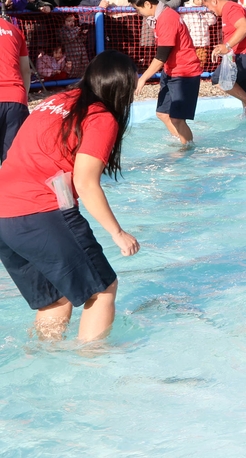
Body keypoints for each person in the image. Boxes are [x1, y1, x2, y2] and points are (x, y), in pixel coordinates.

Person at [0, 51, 141, 342]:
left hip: (4, 216)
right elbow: (85, 182)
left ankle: (44, 363)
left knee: (56, 299)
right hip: (40, 212)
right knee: (102, 290)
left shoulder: (54, 101)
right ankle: (91, 367)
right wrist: (117, 232)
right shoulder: (100, 116)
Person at [130, 0, 203, 145]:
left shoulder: (167, 18)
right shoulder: (160, 16)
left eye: (138, 9)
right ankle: (183, 141)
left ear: (148, 4)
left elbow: (161, 56)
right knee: (163, 114)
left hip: (184, 73)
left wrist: (143, 79)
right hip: (171, 71)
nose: (138, 13)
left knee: (177, 118)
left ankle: (188, 149)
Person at [202, 0, 246, 118]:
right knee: (245, 93)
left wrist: (227, 46)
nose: (209, 10)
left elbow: (244, 27)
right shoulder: (229, 10)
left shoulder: (230, 8)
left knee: (220, 79)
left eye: (207, 6)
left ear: (214, 1)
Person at [0, 16, 31, 161]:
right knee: (12, 162)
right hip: (16, 97)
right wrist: (22, 97)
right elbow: (25, 70)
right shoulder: (15, 30)